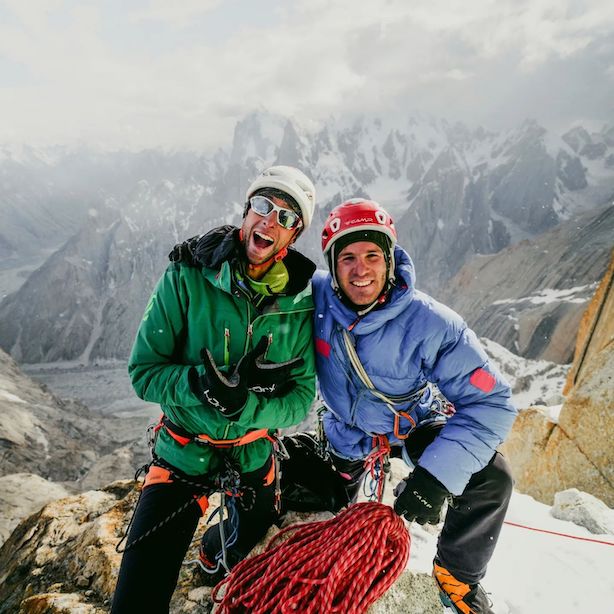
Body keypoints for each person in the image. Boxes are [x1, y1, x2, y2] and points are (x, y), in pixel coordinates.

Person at [111, 166, 318, 614]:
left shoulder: (301, 302)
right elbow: (144, 372)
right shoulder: (187, 276)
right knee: (135, 601)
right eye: (262, 207)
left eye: (285, 218)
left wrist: (245, 406)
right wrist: (200, 386)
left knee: (247, 531)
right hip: (185, 451)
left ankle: (212, 551)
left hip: (252, 454)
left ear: (294, 235)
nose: (268, 222)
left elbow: (300, 399)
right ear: (246, 212)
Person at [306, 198, 517, 614]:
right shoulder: (315, 300)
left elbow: (491, 403)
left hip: (409, 429)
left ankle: (456, 577)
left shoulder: (431, 323)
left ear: (389, 258)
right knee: (291, 488)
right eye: (346, 257)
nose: (360, 269)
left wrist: (437, 478)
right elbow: (263, 277)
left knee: (492, 479)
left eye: (371, 255)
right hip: (344, 436)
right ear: (331, 266)